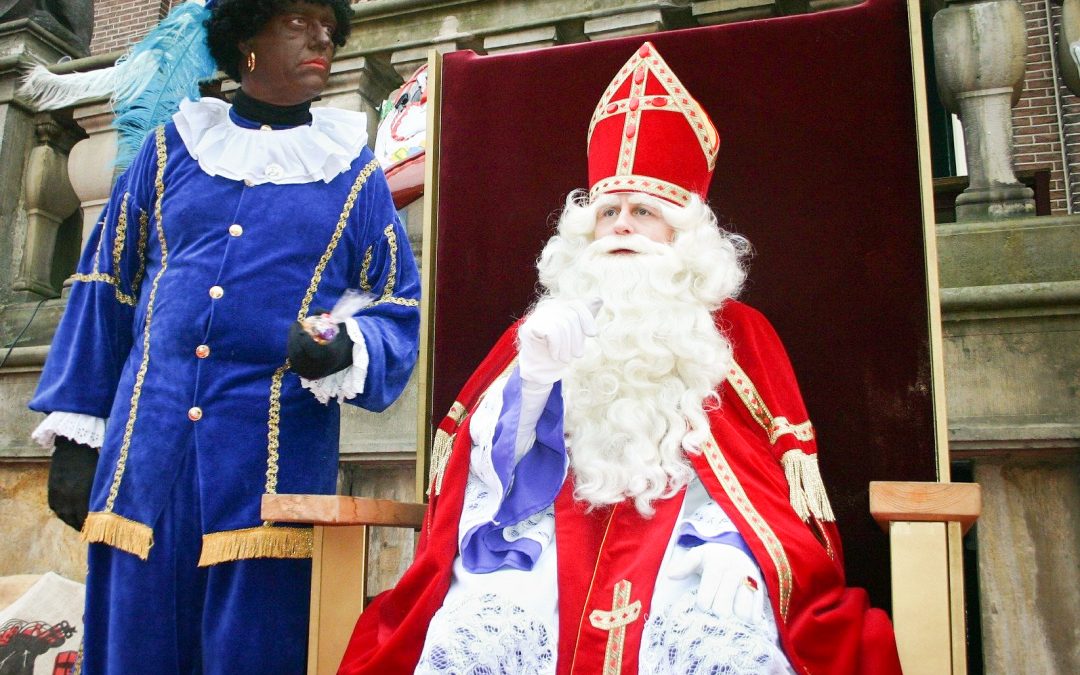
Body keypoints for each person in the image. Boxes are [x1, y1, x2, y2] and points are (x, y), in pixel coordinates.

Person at [338, 42, 901, 674]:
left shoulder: (740, 334)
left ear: (686, 236)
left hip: (693, 552)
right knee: (480, 639)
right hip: (542, 547)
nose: (623, 226)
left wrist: (733, 550)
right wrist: (533, 379)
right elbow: (481, 479)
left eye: (644, 213)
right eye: (609, 212)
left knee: (719, 646)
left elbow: (767, 484)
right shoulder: (539, 327)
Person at [27, 0, 420, 672]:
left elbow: (395, 302)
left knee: (254, 647)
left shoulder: (351, 172)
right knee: (135, 643)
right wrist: (74, 432)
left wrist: (345, 346)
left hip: (271, 465)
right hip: (144, 459)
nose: (319, 36)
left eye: (328, 24)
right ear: (247, 41)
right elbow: (105, 287)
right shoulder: (166, 150)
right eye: (297, 20)